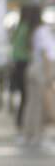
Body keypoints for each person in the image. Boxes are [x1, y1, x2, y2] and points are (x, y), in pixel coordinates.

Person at [20, 8, 55, 146]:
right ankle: (40, 137)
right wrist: (49, 73)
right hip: (42, 68)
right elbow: (44, 52)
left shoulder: (34, 30)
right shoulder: (43, 31)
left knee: (31, 103)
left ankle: (28, 134)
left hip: (33, 66)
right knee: (43, 103)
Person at [9, 3, 42, 134]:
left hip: (18, 65)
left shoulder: (20, 27)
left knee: (24, 98)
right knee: (28, 99)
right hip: (25, 64)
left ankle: (20, 126)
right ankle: (23, 127)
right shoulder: (28, 29)